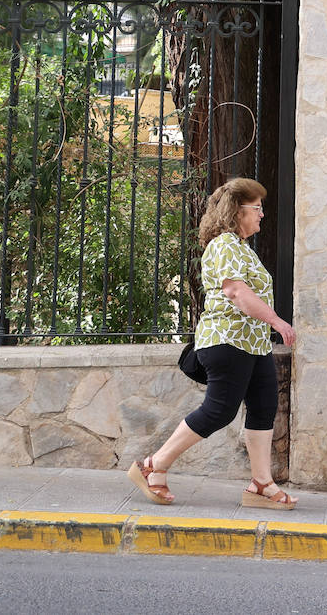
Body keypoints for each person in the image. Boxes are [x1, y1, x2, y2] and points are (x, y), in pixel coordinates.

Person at [126, 177, 299, 510]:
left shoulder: (240, 247)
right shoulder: (224, 245)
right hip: (227, 341)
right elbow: (236, 292)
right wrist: (276, 321)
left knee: (264, 408)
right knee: (219, 410)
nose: (262, 215)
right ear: (237, 211)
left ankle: (261, 484)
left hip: (253, 344)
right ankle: (153, 466)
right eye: (257, 208)